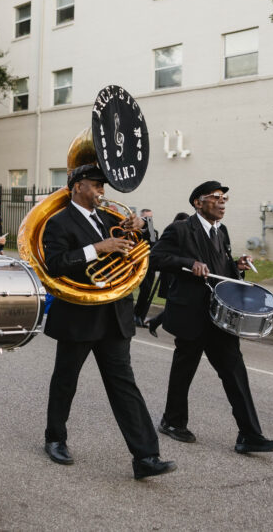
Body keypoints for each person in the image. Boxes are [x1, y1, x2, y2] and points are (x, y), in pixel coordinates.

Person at [39, 164, 175, 479]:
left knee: (124, 386)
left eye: (103, 186)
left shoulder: (110, 217)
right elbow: (56, 264)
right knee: (65, 381)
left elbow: (147, 247)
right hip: (79, 314)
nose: (102, 191)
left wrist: (140, 227)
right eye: (96, 185)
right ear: (77, 187)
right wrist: (98, 247)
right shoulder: (58, 222)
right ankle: (55, 438)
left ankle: (146, 456)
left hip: (114, 314)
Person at [150, 180, 273, 455]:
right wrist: (188, 264)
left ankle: (250, 434)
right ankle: (172, 422)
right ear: (198, 202)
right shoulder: (181, 229)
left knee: (235, 373)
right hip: (192, 315)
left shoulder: (222, 232)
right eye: (215, 197)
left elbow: (223, 271)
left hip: (221, 317)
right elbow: (156, 258)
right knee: (183, 372)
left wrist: (237, 267)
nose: (222, 202)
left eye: (224, 199)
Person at [147, 212, 189, 337]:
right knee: (176, 303)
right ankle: (156, 322)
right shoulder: (174, 232)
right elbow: (159, 255)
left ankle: (155, 321)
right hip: (172, 272)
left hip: (182, 271)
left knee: (177, 304)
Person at [133, 208, 160, 327]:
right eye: (147, 218)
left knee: (148, 291)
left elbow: (155, 245)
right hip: (139, 265)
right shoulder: (135, 232)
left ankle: (140, 317)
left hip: (150, 265)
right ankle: (135, 315)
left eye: (151, 218)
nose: (149, 221)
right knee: (145, 289)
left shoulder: (153, 232)